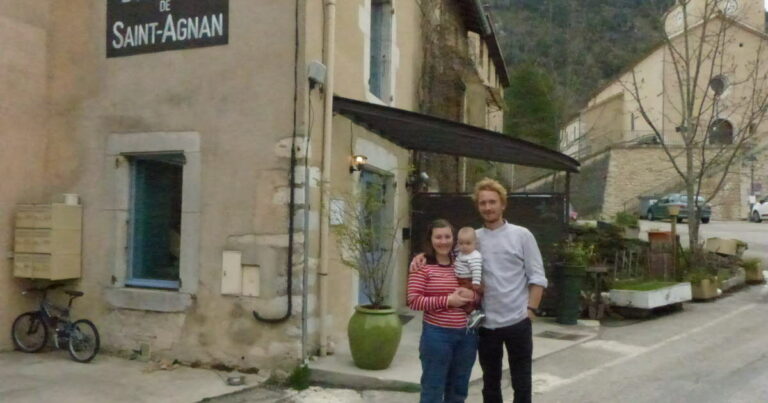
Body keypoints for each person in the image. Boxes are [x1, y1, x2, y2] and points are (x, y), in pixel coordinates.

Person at [411, 178, 548, 403]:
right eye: (483, 203)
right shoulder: (472, 239)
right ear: (478, 206)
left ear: (503, 204)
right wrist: (422, 257)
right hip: (485, 324)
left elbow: (538, 277)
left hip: (517, 321)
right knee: (490, 383)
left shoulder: (522, 235)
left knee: (522, 380)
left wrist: (530, 311)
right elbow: (443, 252)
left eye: (492, 202)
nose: (488, 207)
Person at [407, 219, 478, 403]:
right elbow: (413, 301)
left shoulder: (462, 261)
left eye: (447, 236)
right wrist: (448, 301)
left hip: (467, 336)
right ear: (430, 239)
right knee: (433, 388)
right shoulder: (422, 266)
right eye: (438, 237)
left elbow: (478, 293)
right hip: (437, 335)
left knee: (459, 389)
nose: (443, 241)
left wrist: (472, 295)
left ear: (454, 239)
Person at [454, 226, 485, 328]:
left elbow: (477, 269)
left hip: (468, 280)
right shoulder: (461, 253)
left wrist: (476, 282)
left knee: (463, 296)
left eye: (468, 243)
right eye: (461, 243)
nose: (464, 246)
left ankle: (474, 313)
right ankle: (471, 313)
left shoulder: (474, 256)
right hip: (461, 278)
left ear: (475, 244)